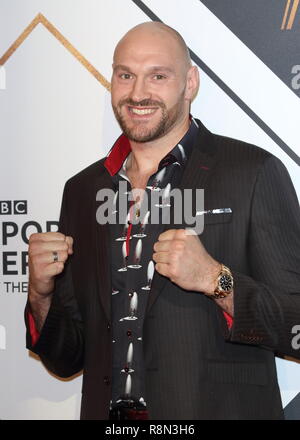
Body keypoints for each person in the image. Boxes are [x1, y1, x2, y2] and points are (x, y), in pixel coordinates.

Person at [25, 21, 300, 420]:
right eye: (125, 75)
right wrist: (40, 293)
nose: (138, 93)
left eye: (158, 75)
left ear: (190, 83)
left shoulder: (253, 171)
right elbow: (66, 358)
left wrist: (216, 280)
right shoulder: (83, 191)